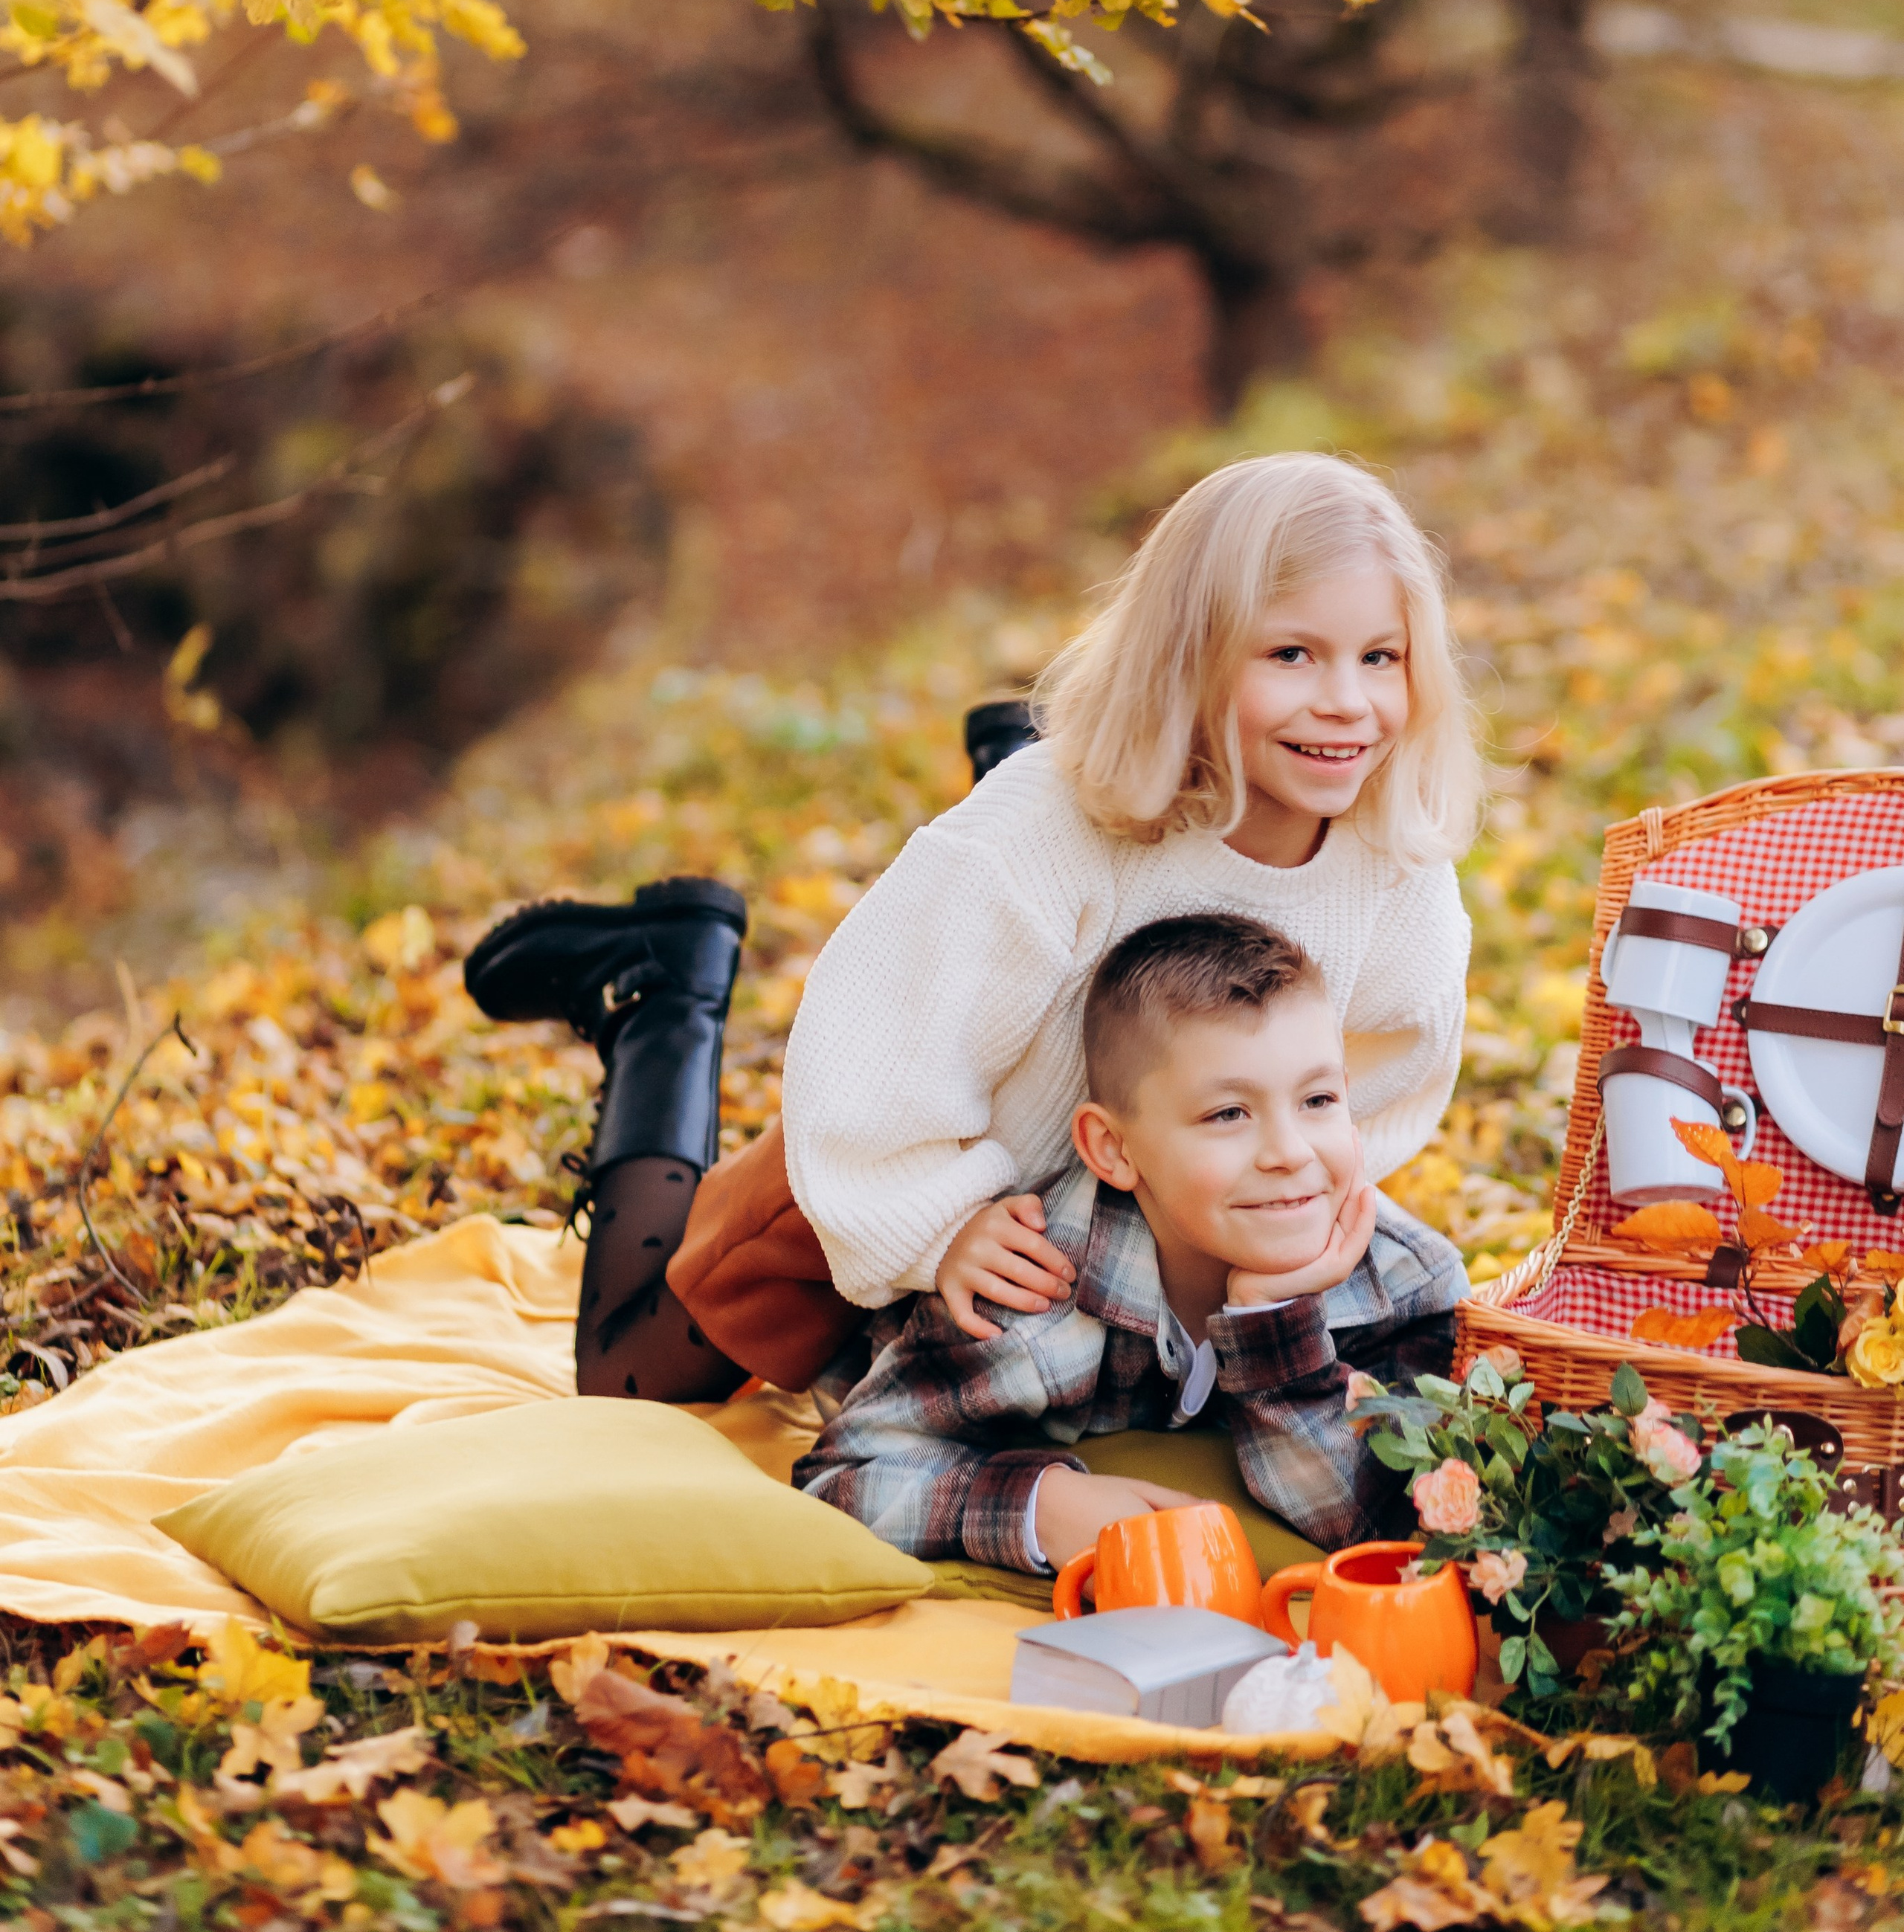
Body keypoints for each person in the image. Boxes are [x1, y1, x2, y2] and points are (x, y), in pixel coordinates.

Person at [464, 450, 1482, 1403]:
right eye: (1293, 654)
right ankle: (662, 995)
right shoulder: (1033, 843)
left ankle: (1003, 753)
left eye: (1380, 657)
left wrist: (1265, 1212)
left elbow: (1382, 1071)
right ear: (1192, 657)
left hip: (1129, 1205)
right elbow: (875, 1049)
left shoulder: (1392, 860)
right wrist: (939, 1225)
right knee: (634, 1377)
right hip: (925, 1143)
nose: (1347, 703)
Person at [794, 915, 1465, 1562]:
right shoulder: (1033, 1288)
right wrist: (1041, 1507)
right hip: (837, 1317)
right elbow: (841, 1478)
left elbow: (1402, 1517)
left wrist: (1273, 1329)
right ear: (1113, 1149)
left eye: (1317, 1101)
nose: (1290, 1152)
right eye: (1228, 1113)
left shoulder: (1407, 1282)